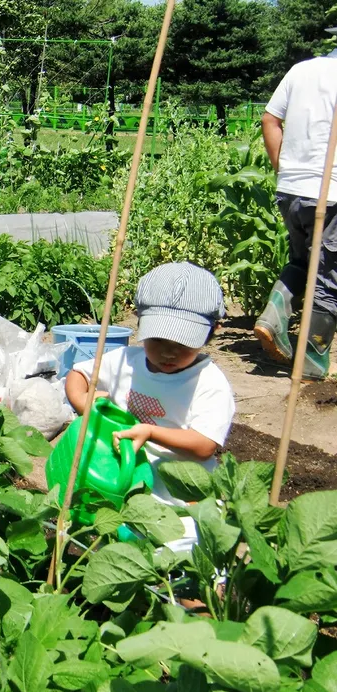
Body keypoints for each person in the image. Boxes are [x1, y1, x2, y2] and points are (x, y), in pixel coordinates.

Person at [65, 263, 235, 551]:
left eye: (183, 342)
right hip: (124, 487)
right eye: (157, 339)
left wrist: (151, 433)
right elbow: (78, 375)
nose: (169, 352)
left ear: (213, 331)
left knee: (185, 573)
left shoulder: (209, 383)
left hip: (182, 498)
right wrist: (85, 403)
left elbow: (205, 444)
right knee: (123, 557)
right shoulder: (124, 362)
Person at [254, 35, 337, 380]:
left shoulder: (301, 70)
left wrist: (283, 170)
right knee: (330, 276)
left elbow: (269, 120)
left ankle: (274, 316)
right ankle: (313, 358)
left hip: (291, 189)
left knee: (302, 261)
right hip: (331, 191)